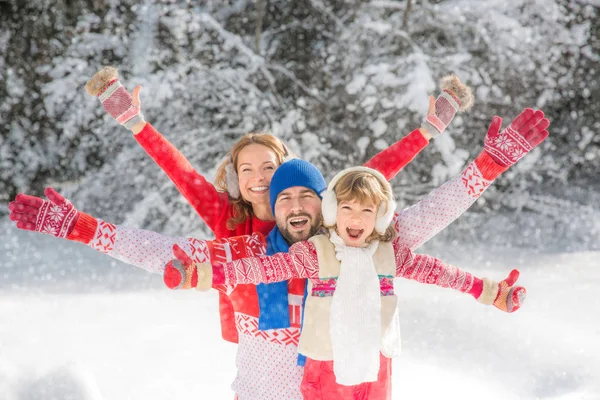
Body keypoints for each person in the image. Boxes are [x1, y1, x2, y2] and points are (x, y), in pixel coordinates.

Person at [82, 67, 472, 348]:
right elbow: (181, 172)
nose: (259, 177)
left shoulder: (319, 212)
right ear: (235, 179)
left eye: (269, 167)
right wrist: (137, 125)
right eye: (246, 170)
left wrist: (426, 133)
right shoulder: (226, 216)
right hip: (258, 343)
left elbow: (370, 174)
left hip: (320, 339)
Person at [168, 166, 525, 399]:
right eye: (348, 209)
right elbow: (259, 269)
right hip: (327, 368)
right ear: (332, 212)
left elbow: (442, 273)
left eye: (367, 211)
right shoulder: (317, 252)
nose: (357, 218)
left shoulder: (388, 254)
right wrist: (202, 274)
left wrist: (489, 291)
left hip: (377, 366)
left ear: (380, 217)